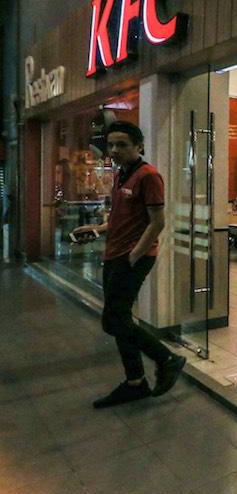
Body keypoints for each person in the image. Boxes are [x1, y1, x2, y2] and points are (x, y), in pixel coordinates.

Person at [73, 121, 186, 408]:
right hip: (114, 254)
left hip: (132, 257)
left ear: (139, 146)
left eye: (122, 144)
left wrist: (134, 255)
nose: (114, 150)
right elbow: (119, 218)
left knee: (112, 320)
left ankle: (167, 358)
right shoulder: (121, 175)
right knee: (121, 321)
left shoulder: (149, 176)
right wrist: (97, 229)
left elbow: (158, 222)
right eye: (111, 144)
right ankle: (135, 382)